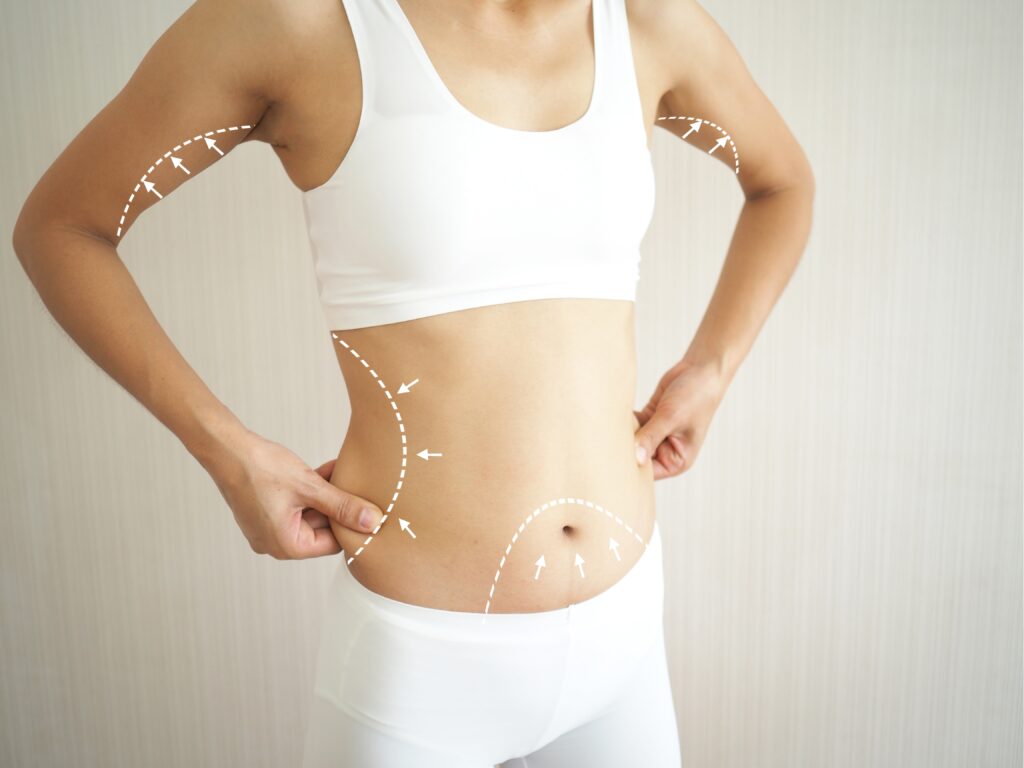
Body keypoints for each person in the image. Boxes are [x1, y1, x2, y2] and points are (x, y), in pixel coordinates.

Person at [11, 0, 815, 764]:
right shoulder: (303, 22)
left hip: (623, 637)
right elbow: (63, 225)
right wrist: (228, 452)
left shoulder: (645, 22)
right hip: (419, 672)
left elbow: (782, 182)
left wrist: (712, 368)